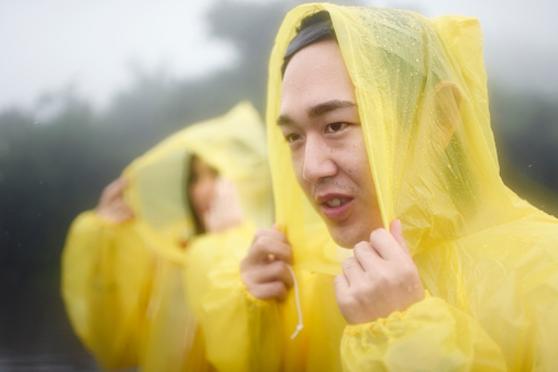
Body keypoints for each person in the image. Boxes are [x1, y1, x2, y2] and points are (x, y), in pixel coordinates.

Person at [207, 4, 558, 371]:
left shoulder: (546, 273)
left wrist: (406, 337)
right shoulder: (318, 279)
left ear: (438, 118)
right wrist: (257, 317)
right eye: (293, 136)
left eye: (336, 125)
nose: (311, 168)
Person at [61, 102, 272, 371]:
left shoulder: (269, 253)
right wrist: (103, 242)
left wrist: (226, 242)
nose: (202, 190)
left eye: (216, 173)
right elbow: (115, 341)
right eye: (194, 178)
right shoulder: (171, 253)